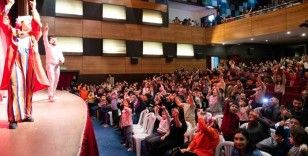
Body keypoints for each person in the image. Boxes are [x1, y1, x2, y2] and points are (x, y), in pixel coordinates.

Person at [0, 0, 49, 129]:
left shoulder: (33, 36)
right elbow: (4, 21)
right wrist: (8, 6)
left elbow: (38, 24)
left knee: (28, 90)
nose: (28, 24)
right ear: (19, 24)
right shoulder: (12, 33)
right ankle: (13, 118)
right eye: (24, 22)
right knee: (15, 88)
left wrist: (34, 8)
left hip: (29, 64)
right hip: (15, 63)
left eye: (28, 22)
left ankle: (27, 114)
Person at [43, 24, 64, 102]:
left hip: (57, 66)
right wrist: (46, 31)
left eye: (56, 39)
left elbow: (62, 57)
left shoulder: (58, 47)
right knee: (51, 79)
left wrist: (62, 60)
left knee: (56, 80)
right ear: (50, 40)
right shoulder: (47, 46)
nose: (54, 40)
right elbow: (44, 37)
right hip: (50, 65)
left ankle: (53, 94)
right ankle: (50, 96)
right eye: (53, 39)